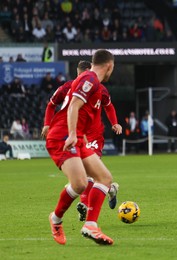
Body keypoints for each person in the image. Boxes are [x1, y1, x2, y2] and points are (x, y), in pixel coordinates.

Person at [46, 49, 116, 245]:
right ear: (109, 66)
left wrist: (80, 135)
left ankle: (91, 225)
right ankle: (56, 219)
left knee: (105, 178)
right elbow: (74, 105)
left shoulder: (92, 81)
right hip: (62, 136)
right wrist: (72, 134)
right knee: (80, 184)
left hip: (76, 138)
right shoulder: (91, 79)